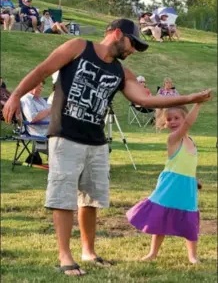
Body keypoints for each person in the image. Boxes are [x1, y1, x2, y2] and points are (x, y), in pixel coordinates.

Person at [3, 18, 211, 276]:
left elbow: (145, 98)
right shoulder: (78, 46)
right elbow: (43, 70)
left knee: (90, 199)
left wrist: (190, 98)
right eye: (132, 43)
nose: (132, 50)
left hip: (96, 141)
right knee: (63, 197)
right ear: (116, 34)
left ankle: (88, 252)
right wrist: (14, 95)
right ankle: (65, 255)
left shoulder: (121, 72)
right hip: (65, 136)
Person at [126, 103, 205, 264]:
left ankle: (192, 256)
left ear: (184, 117)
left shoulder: (191, 141)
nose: (173, 121)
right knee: (160, 218)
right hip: (169, 185)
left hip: (186, 187)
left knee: (189, 220)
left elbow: (187, 164)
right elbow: (188, 124)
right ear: (165, 123)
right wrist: (198, 103)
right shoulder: (173, 139)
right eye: (169, 119)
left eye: (177, 118)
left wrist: (194, 178)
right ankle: (152, 253)